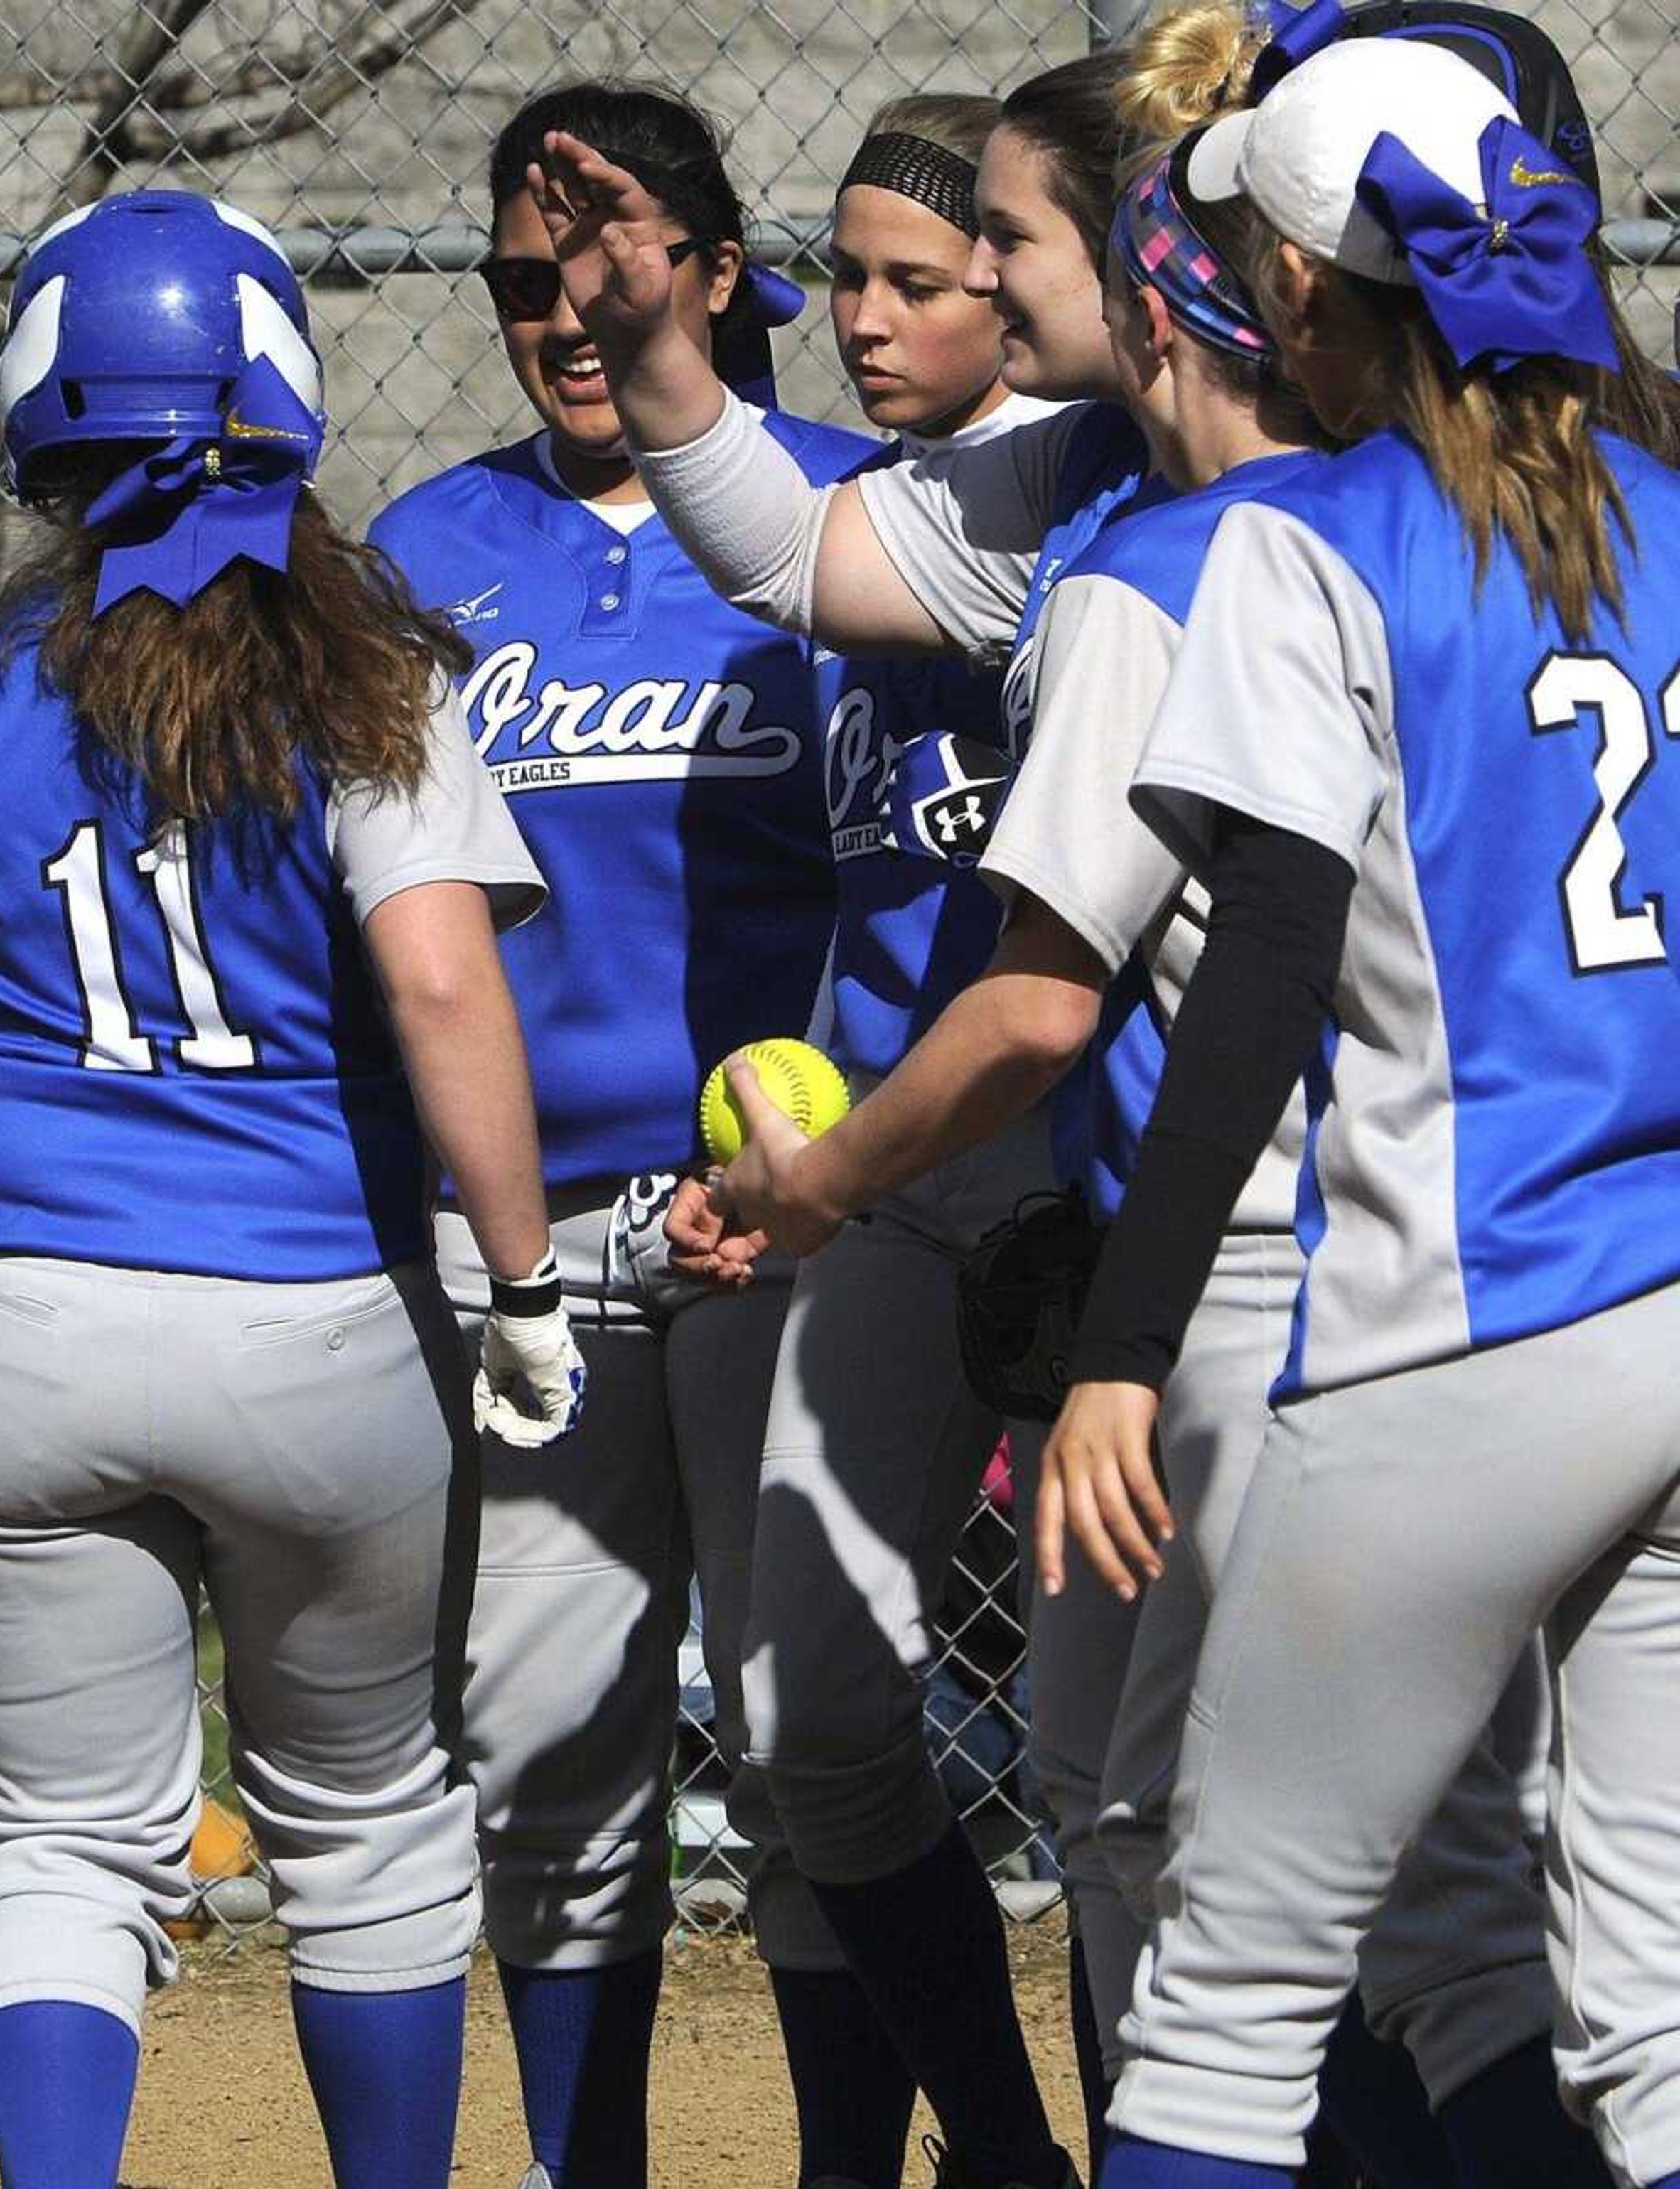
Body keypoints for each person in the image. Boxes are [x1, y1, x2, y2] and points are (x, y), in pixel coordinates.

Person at [708, 15, 1592, 2180]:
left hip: (1281, 1290)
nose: (987, 295)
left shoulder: (1172, 571)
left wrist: (841, 1191)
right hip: (1548, 1258)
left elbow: (1059, 1009)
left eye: (1012, 243)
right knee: (1514, 1902)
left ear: (1190, 285)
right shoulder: (1524, 522)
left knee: (1194, 1877)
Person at [0, 188, 574, 2189]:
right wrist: (531, 1283)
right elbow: (447, 981)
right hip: (315, 1322)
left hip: (23, 1326)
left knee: (61, 1837)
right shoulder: (374, 687)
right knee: (366, 1812)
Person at [1025, 35, 1680, 2188]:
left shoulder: (1298, 539)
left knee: (1225, 1996)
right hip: (1676, 1306)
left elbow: (1266, 979)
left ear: (1299, 293)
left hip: (1460, 1339)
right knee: (1658, 2011)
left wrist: (1120, 1351)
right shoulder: (1674, 508)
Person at [370, 75, 1034, 2189]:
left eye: (601, 272)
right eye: (518, 284)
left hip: (788, 1210)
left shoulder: (844, 512)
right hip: (533, 1230)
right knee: (547, 1758)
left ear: (709, 277)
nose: (563, 315)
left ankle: (874, 2165)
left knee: (795, 1726)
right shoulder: (429, 552)